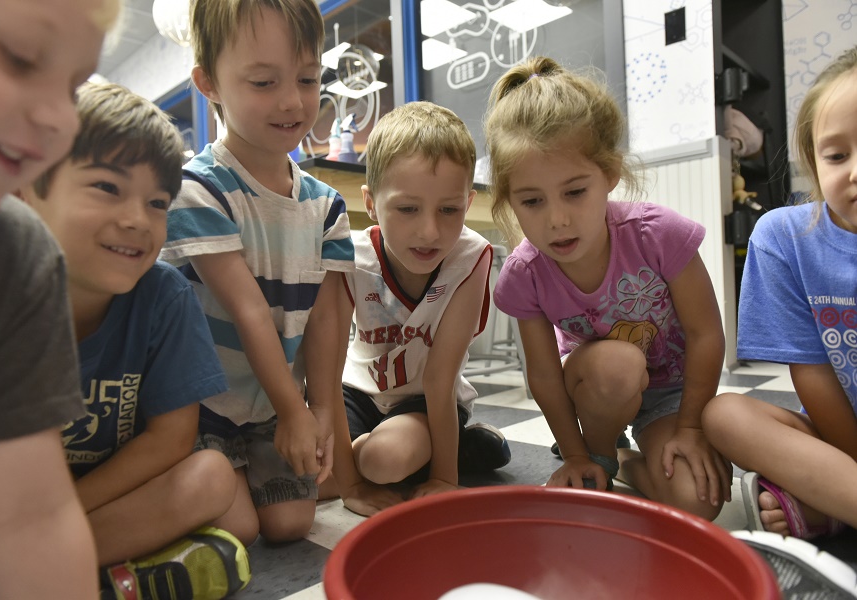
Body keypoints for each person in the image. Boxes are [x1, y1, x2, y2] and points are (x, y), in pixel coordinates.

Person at [20, 82, 250, 600]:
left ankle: (32, 571)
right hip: (5, 500)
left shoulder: (164, 295)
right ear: (29, 190)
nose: (136, 220)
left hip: (101, 495)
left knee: (216, 482)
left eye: (156, 202)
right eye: (106, 187)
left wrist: (55, 517)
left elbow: (171, 440)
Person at [485, 57, 731, 521]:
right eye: (532, 201)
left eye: (575, 192)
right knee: (619, 362)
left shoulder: (659, 234)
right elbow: (543, 375)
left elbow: (706, 333)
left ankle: (628, 465)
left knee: (699, 502)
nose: (556, 219)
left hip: (675, 391)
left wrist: (692, 426)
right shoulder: (525, 273)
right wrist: (578, 454)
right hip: (599, 384)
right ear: (508, 199)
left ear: (610, 175)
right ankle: (602, 455)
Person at [160, 0, 354, 543]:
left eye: (308, 78)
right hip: (201, 407)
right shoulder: (198, 188)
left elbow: (326, 319)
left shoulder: (326, 205)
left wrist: (318, 410)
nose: (292, 101)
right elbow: (247, 309)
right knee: (239, 528)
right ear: (209, 83)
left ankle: (247, 466)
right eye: (264, 82)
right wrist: (297, 412)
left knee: (292, 523)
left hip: (271, 405)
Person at [0, 1, 118, 598]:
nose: (58, 118)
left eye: (75, 87)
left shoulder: (14, 258)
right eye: (21, 58)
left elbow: (22, 521)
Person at [326, 102, 511, 515]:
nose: (429, 231)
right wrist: (349, 484)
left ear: (469, 201)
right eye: (407, 209)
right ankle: (460, 448)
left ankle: (439, 452)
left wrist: (444, 479)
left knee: (383, 460)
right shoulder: (348, 256)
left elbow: (440, 380)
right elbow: (325, 372)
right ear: (371, 203)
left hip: (424, 402)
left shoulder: (470, 256)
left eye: (450, 210)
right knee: (303, 479)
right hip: (356, 392)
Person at [703, 46, 857, 538]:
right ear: (814, 162)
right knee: (725, 415)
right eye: (837, 155)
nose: (855, 172)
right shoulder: (784, 237)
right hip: (838, 435)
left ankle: (833, 507)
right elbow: (812, 376)